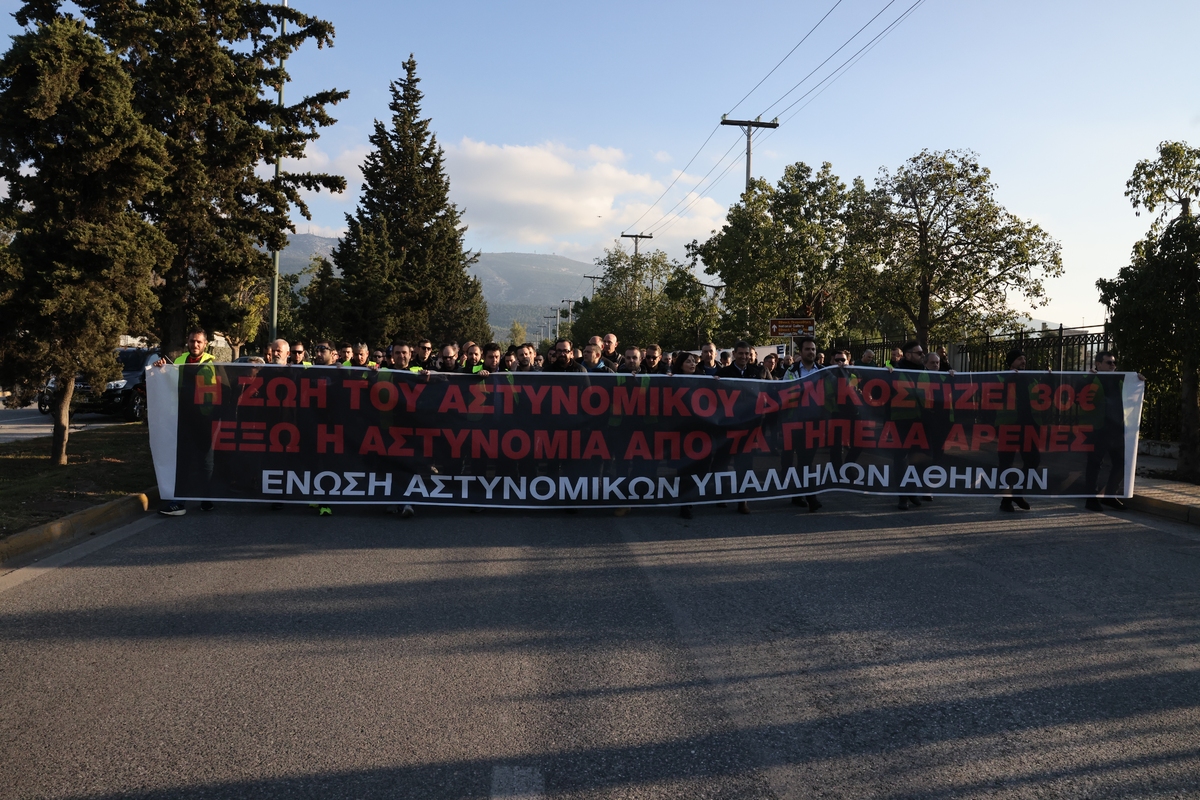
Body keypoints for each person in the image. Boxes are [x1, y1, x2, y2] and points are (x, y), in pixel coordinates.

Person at [155, 330, 217, 516]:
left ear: (205, 344)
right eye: (192, 341)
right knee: (182, 461)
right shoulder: (179, 361)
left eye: (199, 342)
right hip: (182, 419)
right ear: (187, 342)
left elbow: (224, 391)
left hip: (205, 420)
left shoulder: (214, 364)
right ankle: (178, 503)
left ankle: (207, 499)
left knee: (206, 462)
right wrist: (161, 370)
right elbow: (169, 383)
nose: (195, 345)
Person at [1083, 351, 1140, 512]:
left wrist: (1138, 380)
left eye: (1114, 362)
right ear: (1098, 364)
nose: (1113, 365)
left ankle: (1109, 495)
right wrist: (1088, 378)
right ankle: (1091, 499)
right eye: (1109, 362)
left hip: (1117, 429)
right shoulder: (1091, 378)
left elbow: (1134, 393)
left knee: (1122, 462)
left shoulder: (1120, 378)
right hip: (1099, 429)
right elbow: (1077, 393)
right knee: (1095, 464)